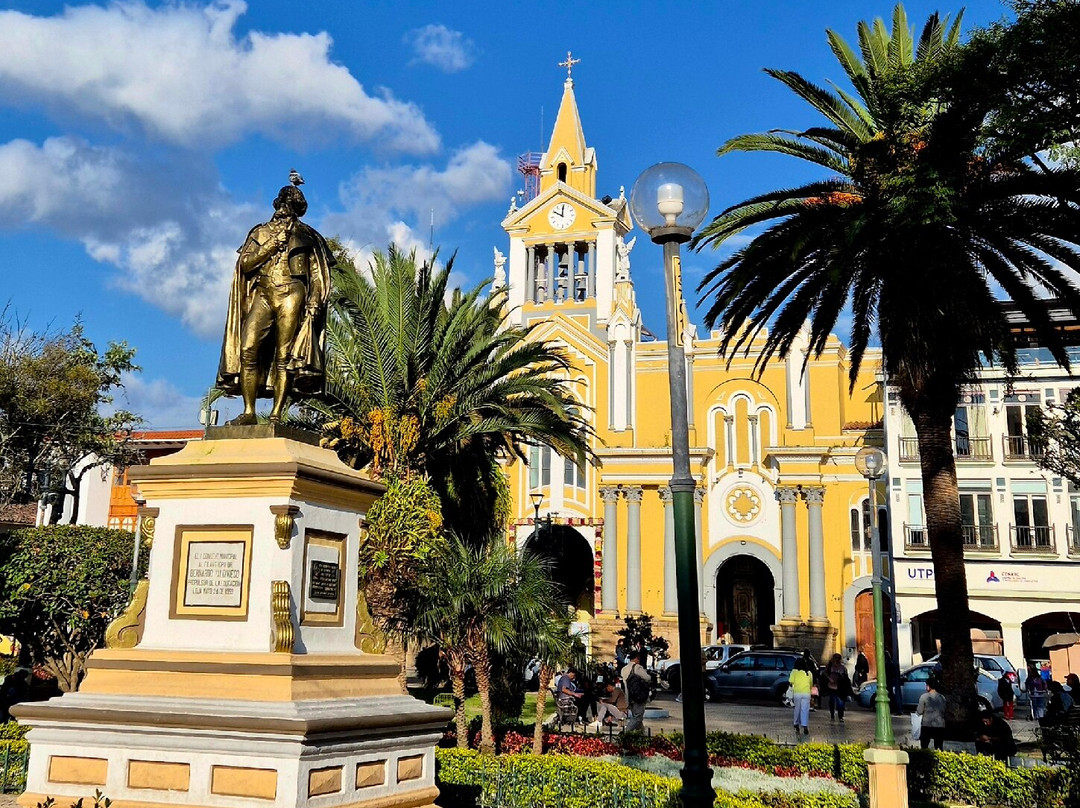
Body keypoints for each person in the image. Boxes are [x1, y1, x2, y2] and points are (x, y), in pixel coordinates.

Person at [217, 181, 334, 425]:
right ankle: (249, 412)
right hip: (263, 293)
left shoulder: (308, 236)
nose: (284, 210)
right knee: (248, 348)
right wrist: (272, 244)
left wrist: (314, 301)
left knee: (285, 355)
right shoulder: (260, 232)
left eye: (291, 206)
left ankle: (276, 414)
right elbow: (246, 265)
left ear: (297, 209)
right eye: (282, 204)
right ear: (277, 204)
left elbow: (318, 275)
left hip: (292, 292)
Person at [621, 649, 651, 732]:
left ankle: (642, 736)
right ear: (637, 658)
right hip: (638, 696)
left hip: (629, 696)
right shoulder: (637, 667)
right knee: (638, 717)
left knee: (637, 716)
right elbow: (648, 678)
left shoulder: (624, 669)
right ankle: (625, 734)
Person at [916, 677, 947, 750]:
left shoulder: (924, 697)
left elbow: (919, 711)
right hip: (940, 725)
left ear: (928, 686)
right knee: (939, 746)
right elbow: (944, 710)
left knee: (924, 745)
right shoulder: (942, 697)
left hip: (927, 725)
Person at [789, 652, 816, 736]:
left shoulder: (794, 672)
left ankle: (796, 723)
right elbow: (811, 684)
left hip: (797, 693)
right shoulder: (809, 673)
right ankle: (805, 726)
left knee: (797, 708)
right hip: (806, 693)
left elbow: (790, 681)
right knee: (805, 710)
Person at [822, 653, 852, 722]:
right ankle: (832, 715)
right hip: (831, 686)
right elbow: (824, 673)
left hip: (840, 687)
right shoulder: (829, 666)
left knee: (840, 703)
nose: (837, 659)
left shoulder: (843, 667)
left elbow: (846, 677)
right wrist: (829, 679)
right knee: (832, 702)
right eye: (836, 658)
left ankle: (840, 716)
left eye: (838, 658)